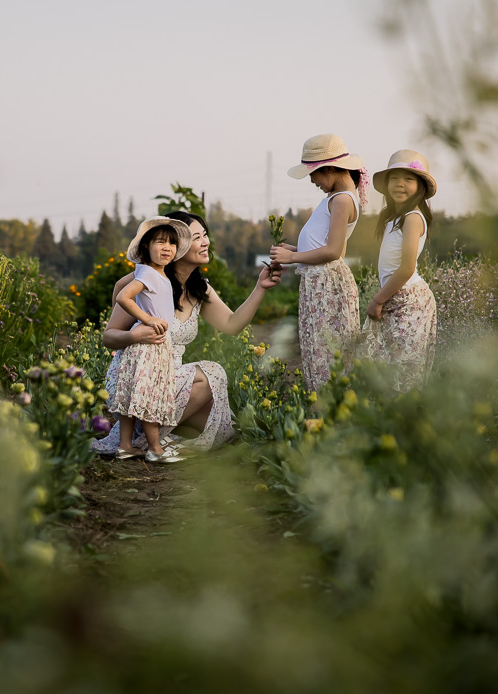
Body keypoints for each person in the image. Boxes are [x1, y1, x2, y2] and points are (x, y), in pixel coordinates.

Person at [92, 210, 281, 456]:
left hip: (170, 378)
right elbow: (109, 337)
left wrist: (260, 287)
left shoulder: (199, 288)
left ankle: (154, 435)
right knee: (211, 374)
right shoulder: (149, 284)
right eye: (196, 237)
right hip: (141, 380)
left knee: (220, 422)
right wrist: (134, 336)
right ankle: (144, 441)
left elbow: (232, 325)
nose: (205, 243)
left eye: (205, 235)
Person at [269, 133, 365, 391]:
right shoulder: (338, 198)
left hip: (326, 282)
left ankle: (327, 409)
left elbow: (333, 251)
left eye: (313, 173)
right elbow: (322, 245)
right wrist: (291, 250)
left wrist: (292, 257)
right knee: (318, 346)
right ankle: (324, 410)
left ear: (331, 168)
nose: (312, 180)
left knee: (325, 348)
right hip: (320, 280)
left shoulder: (343, 199)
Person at [108, 217, 192, 463]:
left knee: (133, 395)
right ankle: (155, 449)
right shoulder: (149, 273)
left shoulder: (157, 274)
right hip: (149, 347)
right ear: (146, 247)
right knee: (150, 397)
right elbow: (124, 297)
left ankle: (125, 445)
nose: (167, 247)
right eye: (160, 242)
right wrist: (147, 319)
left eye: (172, 244)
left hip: (148, 347)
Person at [362, 149, 438, 391]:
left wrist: (377, 299)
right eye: (394, 178)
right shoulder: (395, 218)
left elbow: (406, 268)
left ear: (421, 187)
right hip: (396, 296)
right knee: (387, 366)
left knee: (404, 372)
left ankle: (404, 424)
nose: (400, 185)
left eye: (409, 179)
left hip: (409, 300)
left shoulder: (413, 218)